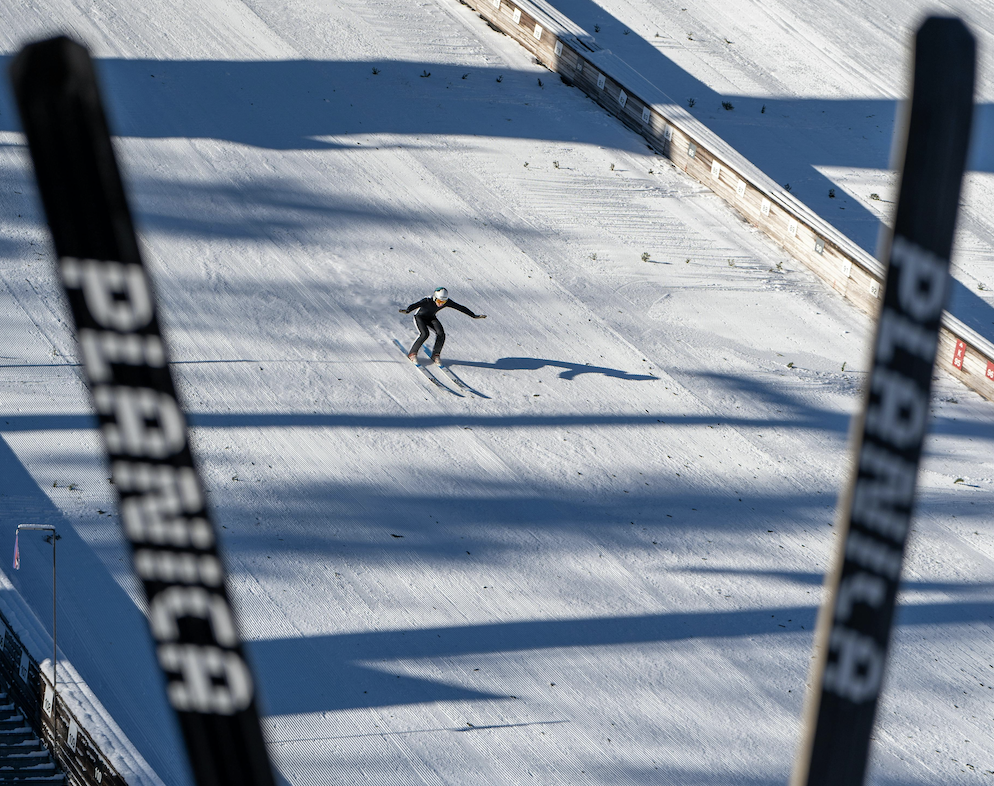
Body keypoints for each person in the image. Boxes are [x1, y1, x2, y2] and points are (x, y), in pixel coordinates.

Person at [399, 287, 486, 363]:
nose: (441, 304)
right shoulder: (427, 300)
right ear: (435, 298)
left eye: (443, 302)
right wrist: (408, 310)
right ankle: (412, 353)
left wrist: (473, 315)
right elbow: (416, 305)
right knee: (424, 334)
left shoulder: (446, 302)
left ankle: (436, 354)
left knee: (441, 333)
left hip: (431, 318)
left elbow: (460, 307)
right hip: (419, 318)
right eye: (439, 301)